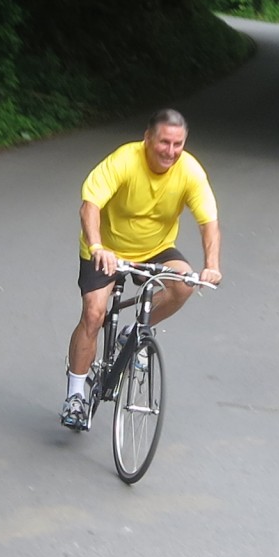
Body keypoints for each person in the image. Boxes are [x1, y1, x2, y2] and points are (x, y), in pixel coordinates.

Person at [62, 108, 222, 430]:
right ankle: (75, 396)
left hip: (156, 248)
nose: (171, 151)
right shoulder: (124, 160)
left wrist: (212, 266)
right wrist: (97, 247)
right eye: (164, 142)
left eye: (178, 144)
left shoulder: (189, 171)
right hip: (107, 248)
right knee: (94, 314)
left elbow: (209, 223)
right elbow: (90, 207)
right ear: (147, 138)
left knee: (184, 284)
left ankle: (133, 334)